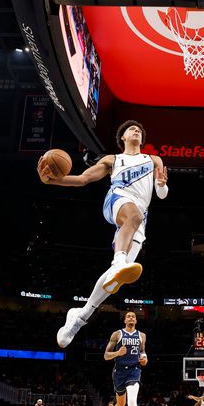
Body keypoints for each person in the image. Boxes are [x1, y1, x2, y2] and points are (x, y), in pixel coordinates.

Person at [39, 120, 169, 348]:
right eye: (131, 129)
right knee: (131, 222)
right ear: (123, 138)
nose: (136, 130)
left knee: (114, 279)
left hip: (141, 214)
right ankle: (118, 260)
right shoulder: (113, 159)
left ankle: (79, 317)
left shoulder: (153, 160)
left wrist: (161, 184)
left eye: (139, 129)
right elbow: (83, 179)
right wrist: (53, 180)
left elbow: (161, 194)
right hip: (117, 200)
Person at [104, 311, 148, 406]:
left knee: (132, 401)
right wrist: (117, 353)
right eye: (128, 316)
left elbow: (143, 353)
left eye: (133, 316)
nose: (131, 317)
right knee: (120, 403)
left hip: (134, 371)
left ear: (136, 320)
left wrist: (145, 359)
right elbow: (106, 355)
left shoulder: (142, 336)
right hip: (119, 372)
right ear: (124, 320)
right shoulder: (117, 334)